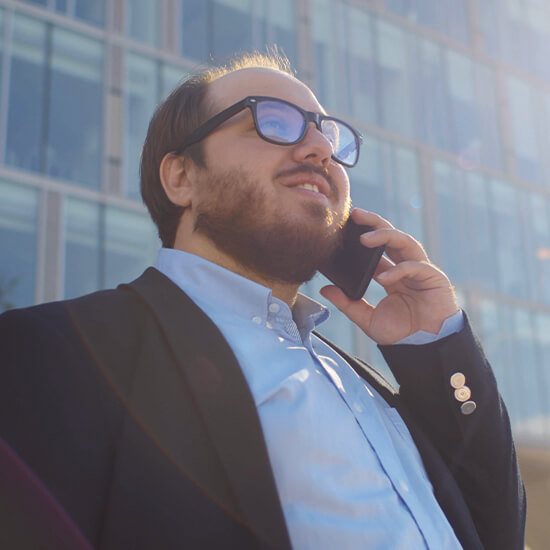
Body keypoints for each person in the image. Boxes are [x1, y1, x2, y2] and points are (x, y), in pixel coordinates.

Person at [0, 52, 525, 550]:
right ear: (182, 177)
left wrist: (436, 345)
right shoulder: (51, 354)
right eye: (274, 121)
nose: (320, 149)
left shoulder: (368, 385)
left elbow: (496, 529)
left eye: (328, 135)